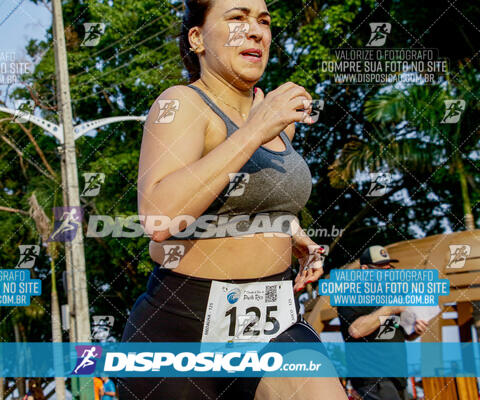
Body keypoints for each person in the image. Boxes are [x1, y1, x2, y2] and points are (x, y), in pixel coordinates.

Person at [118, 0, 347, 399]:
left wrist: (294, 235)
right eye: (237, 18)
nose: (256, 30)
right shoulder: (182, 104)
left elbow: (248, 201)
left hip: (271, 316)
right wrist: (254, 130)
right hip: (183, 323)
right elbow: (158, 218)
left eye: (263, 21)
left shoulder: (277, 126)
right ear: (197, 39)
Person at [337, 246, 429, 400]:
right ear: (365, 269)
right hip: (373, 378)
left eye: (389, 268)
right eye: (381, 269)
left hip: (398, 378)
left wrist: (415, 332)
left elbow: (391, 334)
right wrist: (389, 309)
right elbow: (356, 330)